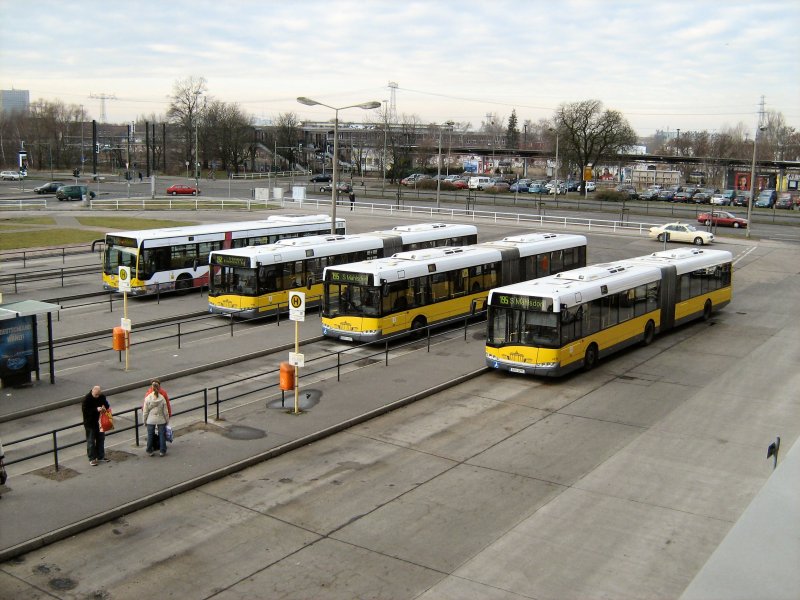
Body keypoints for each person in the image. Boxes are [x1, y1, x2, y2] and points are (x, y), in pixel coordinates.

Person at [82, 385, 110, 466]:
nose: (97, 396)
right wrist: (96, 410)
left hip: (100, 421)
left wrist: (104, 408)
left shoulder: (101, 397)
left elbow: (107, 405)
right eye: (96, 395)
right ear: (92, 391)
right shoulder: (87, 399)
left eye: (98, 394)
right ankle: (92, 458)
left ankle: (100, 456)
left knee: (101, 439)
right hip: (90, 423)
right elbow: (86, 411)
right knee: (91, 441)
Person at [143, 381, 170, 457]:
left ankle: (149, 450)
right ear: (159, 387)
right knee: (162, 435)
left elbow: (145, 411)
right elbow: (165, 411)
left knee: (150, 435)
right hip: (161, 419)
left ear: (152, 387)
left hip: (150, 420)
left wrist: (144, 421)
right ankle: (162, 451)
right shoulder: (162, 398)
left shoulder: (148, 398)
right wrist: (167, 421)